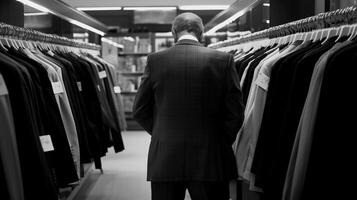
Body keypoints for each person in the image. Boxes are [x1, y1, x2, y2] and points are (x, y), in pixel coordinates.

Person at [133, 12, 244, 200]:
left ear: (173, 32)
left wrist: (162, 131)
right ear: (202, 33)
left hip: (165, 157)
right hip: (211, 158)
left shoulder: (155, 60)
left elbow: (140, 110)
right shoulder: (223, 60)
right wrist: (219, 138)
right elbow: (235, 113)